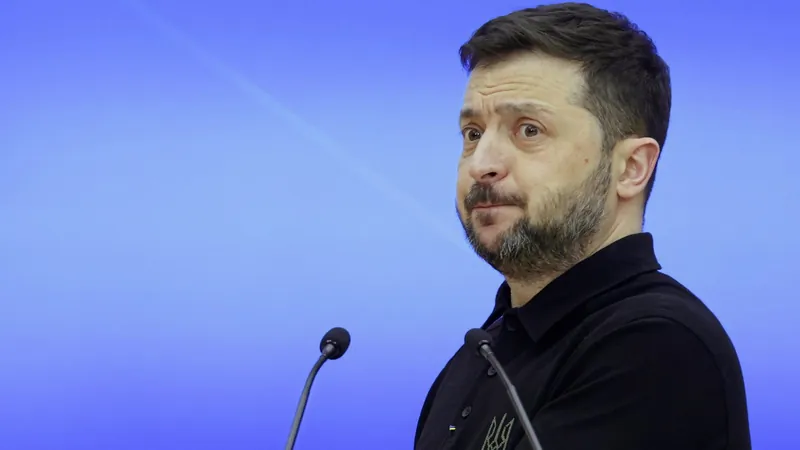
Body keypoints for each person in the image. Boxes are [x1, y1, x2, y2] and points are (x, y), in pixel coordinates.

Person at [414, 3, 751, 450]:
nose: (481, 164)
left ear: (630, 168)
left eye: (528, 130)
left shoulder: (655, 345)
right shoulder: (482, 353)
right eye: (473, 133)